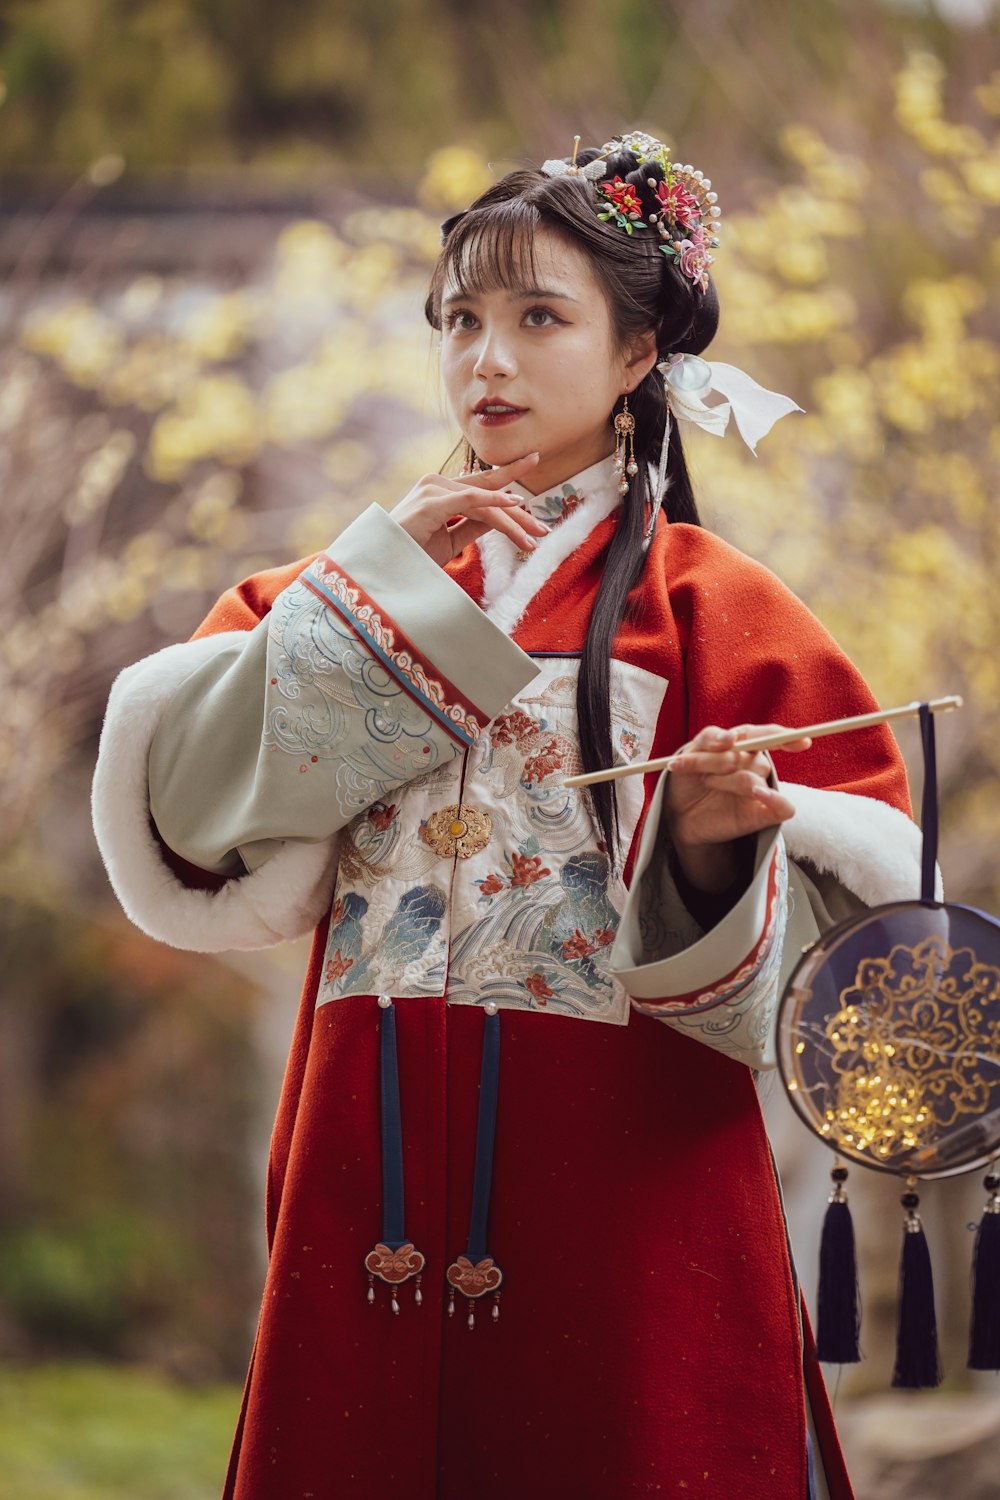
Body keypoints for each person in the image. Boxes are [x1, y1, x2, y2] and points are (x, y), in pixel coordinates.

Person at [92, 131, 924, 1500]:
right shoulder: (319, 591)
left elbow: (852, 960)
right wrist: (366, 598)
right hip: (368, 1165)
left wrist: (712, 852)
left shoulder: (726, 619)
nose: (489, 358)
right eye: (462, 319)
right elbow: (182, 812)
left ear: (639, 352)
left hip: (630, 1192)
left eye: (541, 317)